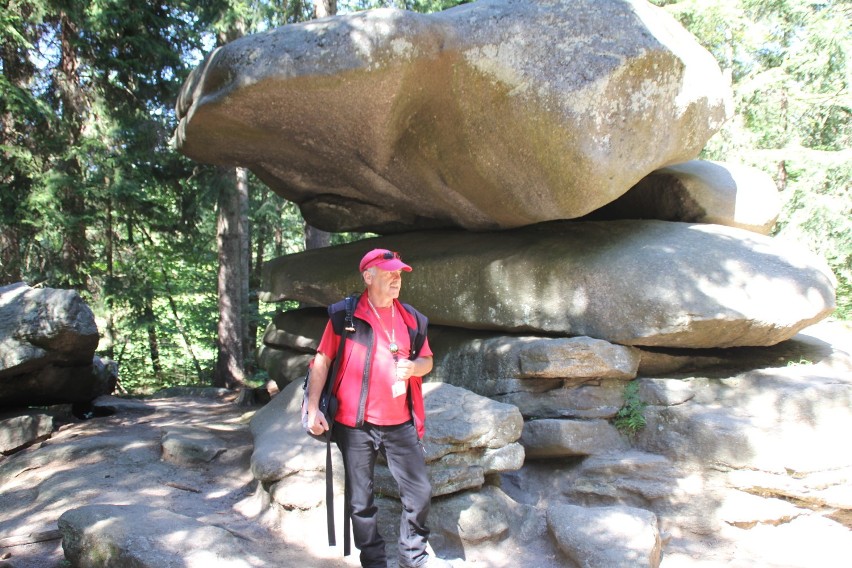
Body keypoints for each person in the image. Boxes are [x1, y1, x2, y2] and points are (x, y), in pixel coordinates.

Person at [305, 248, 450, 568]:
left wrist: (414, 367)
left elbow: (427, 360)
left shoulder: (413, 318)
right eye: (389, 273)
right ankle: (373, 561)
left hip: (401, 424)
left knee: (419, 492)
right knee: (361, 501)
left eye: (399, 273)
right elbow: (322, 359)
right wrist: (312, 408)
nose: (397, 278)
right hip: (354, 424)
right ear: (368, 277)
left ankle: (412, 556)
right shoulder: (345, 316)